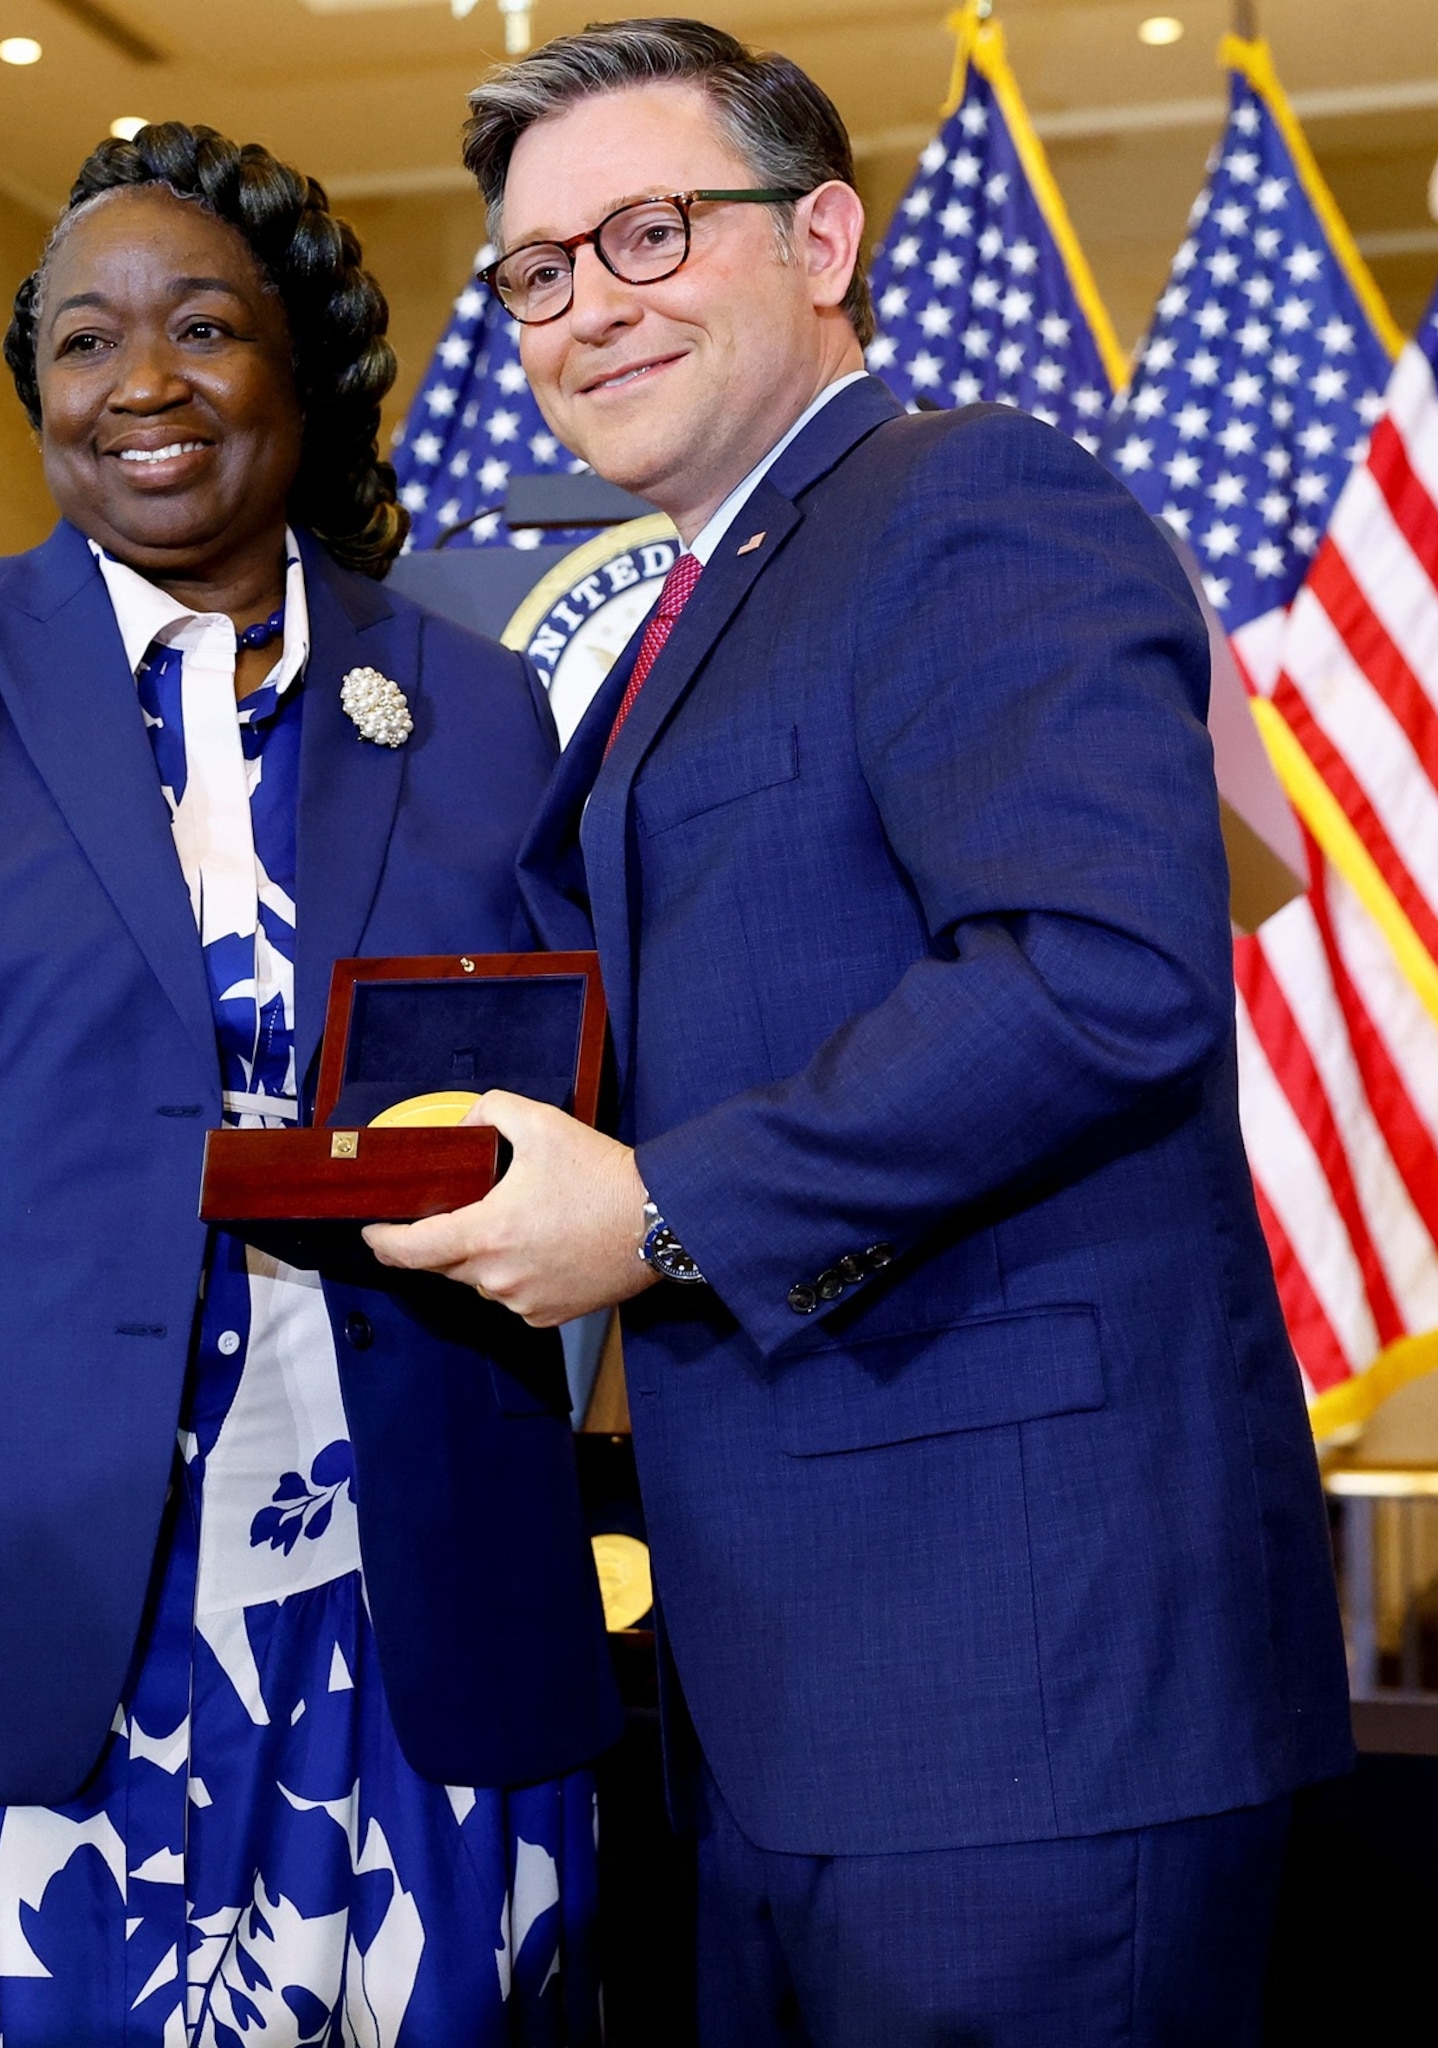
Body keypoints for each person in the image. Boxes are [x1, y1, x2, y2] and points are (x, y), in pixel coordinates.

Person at [367, 20, 1352, 2043]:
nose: (585, 307)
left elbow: (1098, 972)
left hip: (1025, 1701)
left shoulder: (968, 503)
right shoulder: (700, 604)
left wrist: (654, 1210)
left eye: (648, 231)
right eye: (538, 271)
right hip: (794, 1696)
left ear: (825, 237)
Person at [0, 122, 616, 2046]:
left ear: (296, 372)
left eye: (203, 328)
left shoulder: (478, 705)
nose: (138, 386)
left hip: (398, 1614)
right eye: (82, 343)